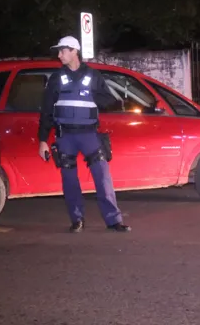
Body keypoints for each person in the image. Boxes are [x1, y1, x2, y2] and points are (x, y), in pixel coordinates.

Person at [37, 36, 131, 233]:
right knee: (70, 180)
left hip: (89, 135)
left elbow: (107, 101)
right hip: (66, 137)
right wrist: (43, 140)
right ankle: (77, 220)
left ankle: (114, 220)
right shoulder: (56, 78)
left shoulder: (93, 76)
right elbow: (46, 110)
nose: (59, 54)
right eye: (59, 51)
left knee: (103, 177)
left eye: (63, 50)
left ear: (74, 51)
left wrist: (120, 102)